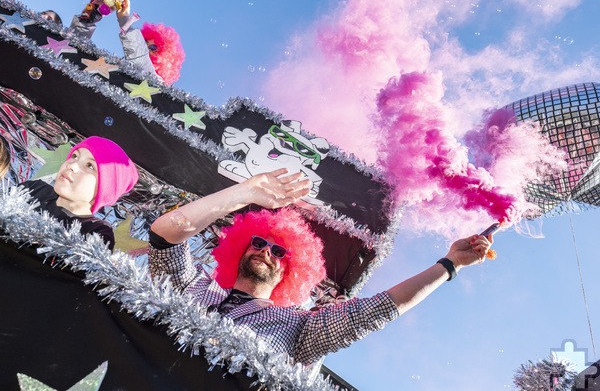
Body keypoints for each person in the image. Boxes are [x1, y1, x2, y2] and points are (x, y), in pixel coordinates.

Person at [148, 168, 494, 365]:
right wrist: (244, 193)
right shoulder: (192, 285)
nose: (266, 251)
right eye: (258, 242)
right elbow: (165, 236)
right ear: (240, 247)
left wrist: (450, 264)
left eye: (279, 250)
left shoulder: (300, 328)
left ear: (292, 270)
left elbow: (379, 309)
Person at [20, 136, 139, 251]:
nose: (72, 165)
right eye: (74, 156)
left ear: (105, 188)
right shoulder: (34, 189)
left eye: (90, 166)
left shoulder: (96, 232)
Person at [70, 0, 185, 85]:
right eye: (144, 41)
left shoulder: (157, 86)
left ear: (164, 62)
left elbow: (140, 59)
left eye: (153, 47)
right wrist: (92, 15)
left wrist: (125, 21)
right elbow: (71, 50)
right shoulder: (113, 69)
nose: (146, 47)